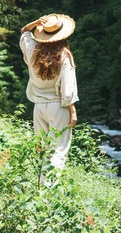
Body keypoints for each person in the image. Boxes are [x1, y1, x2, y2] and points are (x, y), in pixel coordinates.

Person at [19, 13, 79, 171]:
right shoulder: (64, 56)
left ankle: (41, 187)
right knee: (58, 151)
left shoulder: (32, 50)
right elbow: (68, 88)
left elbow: (24, 31)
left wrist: (36, 22)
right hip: (58, 107)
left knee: (42, 149)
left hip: (38, 107)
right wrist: (73, 111)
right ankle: (50, 189)